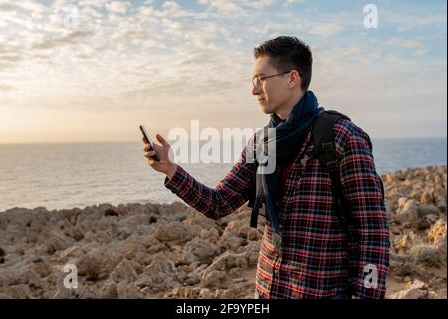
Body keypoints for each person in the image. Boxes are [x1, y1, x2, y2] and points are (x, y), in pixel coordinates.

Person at [142, 36, 390, 299]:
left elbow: (372, 231)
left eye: (261, 79)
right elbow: (219, 203)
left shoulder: (342, 137)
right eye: (253, 81)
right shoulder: (261, 143)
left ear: (292, 78)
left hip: (321, 291)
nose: (254, 90)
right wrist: (171, 170)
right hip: (270, 289)